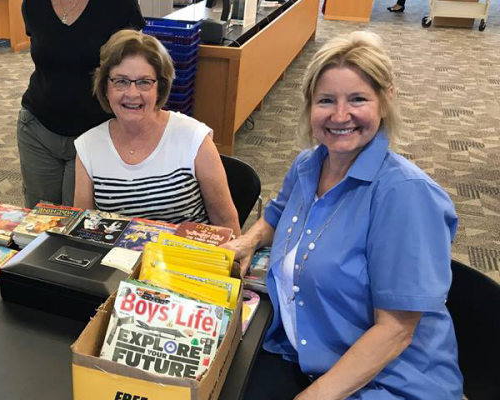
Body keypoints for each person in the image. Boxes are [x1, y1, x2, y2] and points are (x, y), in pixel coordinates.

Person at [225, 31, 462, 399]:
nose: (339, 116)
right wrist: (248, 240)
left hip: (389, 382)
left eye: (357, 99)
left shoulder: (404, 194)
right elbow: (276, 214)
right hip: (304, 353)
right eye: (325, 100)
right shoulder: (308, 165)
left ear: (384, 102)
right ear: (309, 107)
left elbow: (396, 330)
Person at [74, 30, 242, 236]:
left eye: (144, 82)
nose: (132, 93)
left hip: (187, 260)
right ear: (106, 88)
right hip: (117, 264)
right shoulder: (88, 145)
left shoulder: (193, 138)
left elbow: (226, 224)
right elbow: (85, 230)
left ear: (159, 88)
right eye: (121, 81)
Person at [18, 0, 145, 208]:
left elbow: (136, 64)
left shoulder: (120, 5)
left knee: (77, 223)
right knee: (37, 218)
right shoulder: (33, 4)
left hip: (94, 131)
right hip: (37, 127)